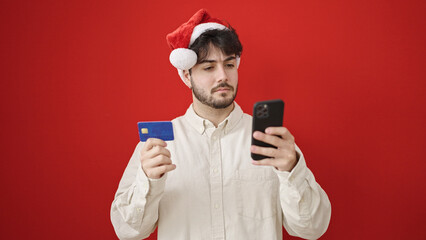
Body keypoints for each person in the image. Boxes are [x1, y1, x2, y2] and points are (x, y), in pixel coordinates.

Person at [111, 9, 331, 240]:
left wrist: (292, 170)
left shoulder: (272, 142)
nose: (222, 76)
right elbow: (127, 232)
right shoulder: (159, 146)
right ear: (187, 75)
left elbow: (312, 229)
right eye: (208, 67)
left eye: (229, 65)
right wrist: (148, 180)